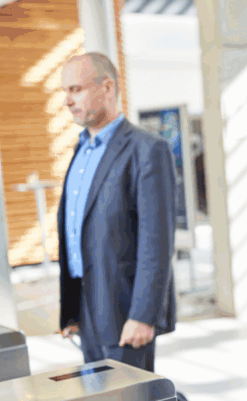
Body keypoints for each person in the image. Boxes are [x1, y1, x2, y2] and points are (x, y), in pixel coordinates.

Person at [57, 52, 177, 373]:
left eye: (76, 89)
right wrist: (71, 310)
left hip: (124, 309)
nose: (67, 101)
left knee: (132, 400)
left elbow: (157, 242)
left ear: (107, 87)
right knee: (100, 395)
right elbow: (76, 230)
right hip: (86, 308)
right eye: (65, 92)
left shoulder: (147, 150)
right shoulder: (80, 151)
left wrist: (143, 315)